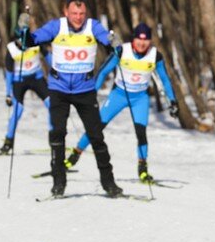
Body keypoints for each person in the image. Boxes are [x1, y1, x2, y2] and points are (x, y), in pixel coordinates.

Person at [20, 0, 122, 197]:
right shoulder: (57, 26)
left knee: (96, 136)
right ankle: (59, 183)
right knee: (57, 135)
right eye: (74, 13)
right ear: (66, 11)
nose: (78, 18)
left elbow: (106, 39)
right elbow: (31, 41)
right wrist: (23, 30)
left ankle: (109, 183)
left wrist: (114, 41)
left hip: (85, 91)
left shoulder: (93, 26)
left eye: (81, 13)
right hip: (59, 90)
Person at [65, 23, 179, 182]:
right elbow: (103, 71)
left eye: (146, 41)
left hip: (140, 98)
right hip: (118, 95)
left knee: (141, 132)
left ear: (150, 42)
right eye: (139, 40)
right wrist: (92, 92)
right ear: (134, 39)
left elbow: (165, 80)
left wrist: (172, 101)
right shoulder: (121, 51)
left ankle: (143, 169)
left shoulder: (155, 56)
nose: (142, 44)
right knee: (96, 127)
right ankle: (74, 155)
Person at [0, 25, 50, 155]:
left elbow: (49, 58)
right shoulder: (11, 50)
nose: (23, 44)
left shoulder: (36, 42)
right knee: (18, 111)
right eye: (20, 41)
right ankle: (8, 142)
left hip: (37, 79)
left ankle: (55, 139)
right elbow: (9, 75)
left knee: (52, 105)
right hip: (19, 81)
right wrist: (8, 94)